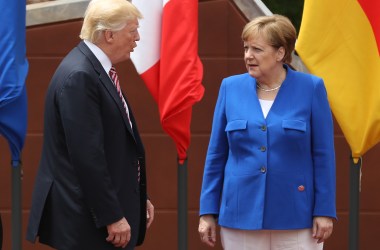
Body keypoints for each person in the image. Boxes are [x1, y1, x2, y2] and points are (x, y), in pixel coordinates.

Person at [198, 14, 336, 249]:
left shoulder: (311, 88)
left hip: (296, 215)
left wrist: (324, 211)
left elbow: (323, 155)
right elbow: (216, 155)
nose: (248, 55)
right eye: (246, 48)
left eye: (257, 49)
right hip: (240, 214)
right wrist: (207, 211)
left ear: (280, 53)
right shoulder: (230, 87)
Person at [26, 0, 154, 249]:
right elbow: (87, 157)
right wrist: (112, 216)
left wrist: (137, 195)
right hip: (89, 225)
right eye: (132, 31)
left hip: (97, 217)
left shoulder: (94, 70)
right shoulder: (81, 76)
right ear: (109, 34)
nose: (137, 38)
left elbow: (112, 146)